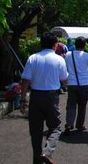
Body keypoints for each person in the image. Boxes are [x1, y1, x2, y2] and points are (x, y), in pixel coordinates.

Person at [20, 32, 68, 164]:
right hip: (52, 97)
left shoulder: (33, 58)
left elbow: (25, 80)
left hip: (35, 96)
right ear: (55, 45)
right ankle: (47, 152)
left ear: (41, 43)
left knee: (35, 131)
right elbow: (64, 80)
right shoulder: (59, 59)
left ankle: (37, 160)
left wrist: (23, 99)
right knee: (55, 127)